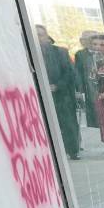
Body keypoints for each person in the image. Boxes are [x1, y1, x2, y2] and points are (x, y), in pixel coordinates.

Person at [35, 26, 80, 161]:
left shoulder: (60, 52)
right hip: (40, 96)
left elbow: (69, 73)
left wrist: (57, 86)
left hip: (62, 96)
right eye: (35, 36)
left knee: (68, 124)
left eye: (40, 35)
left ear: (47, 36)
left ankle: (72, 151)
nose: (38, 38)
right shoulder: (29, 53)